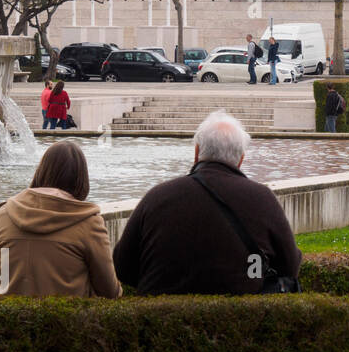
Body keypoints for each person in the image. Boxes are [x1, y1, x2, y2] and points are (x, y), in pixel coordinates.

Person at [112, 110, 301, 294]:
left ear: (197, 152)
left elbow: (123, 266)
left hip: (159, 320)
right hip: (241, 322)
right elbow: (290, 266)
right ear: (241, 159)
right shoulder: (262, 199)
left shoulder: (157, 197)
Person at [0, 140, 122, 299]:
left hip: (1, 319)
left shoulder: (3, 214)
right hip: (62, 321)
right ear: (81, 178)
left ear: (42, 171)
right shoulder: (89, 223)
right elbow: (109, 290)